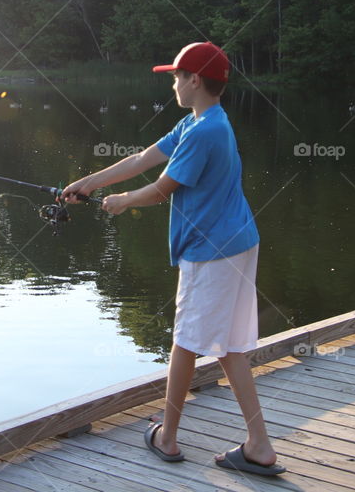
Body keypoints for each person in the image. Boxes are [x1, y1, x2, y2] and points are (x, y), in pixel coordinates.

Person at [61, 42, 285, 476]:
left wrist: (123, 201)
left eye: (177, 76)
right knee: (229, 346)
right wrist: (89, 182)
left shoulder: (203, 132)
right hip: (239, 242)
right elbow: (146, 158)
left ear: (195, 79)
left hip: (212, 250)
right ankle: (259, 445)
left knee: (185, 341)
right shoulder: (204, 121)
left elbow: (163, 187)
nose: (173, 82)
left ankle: (168, 437)